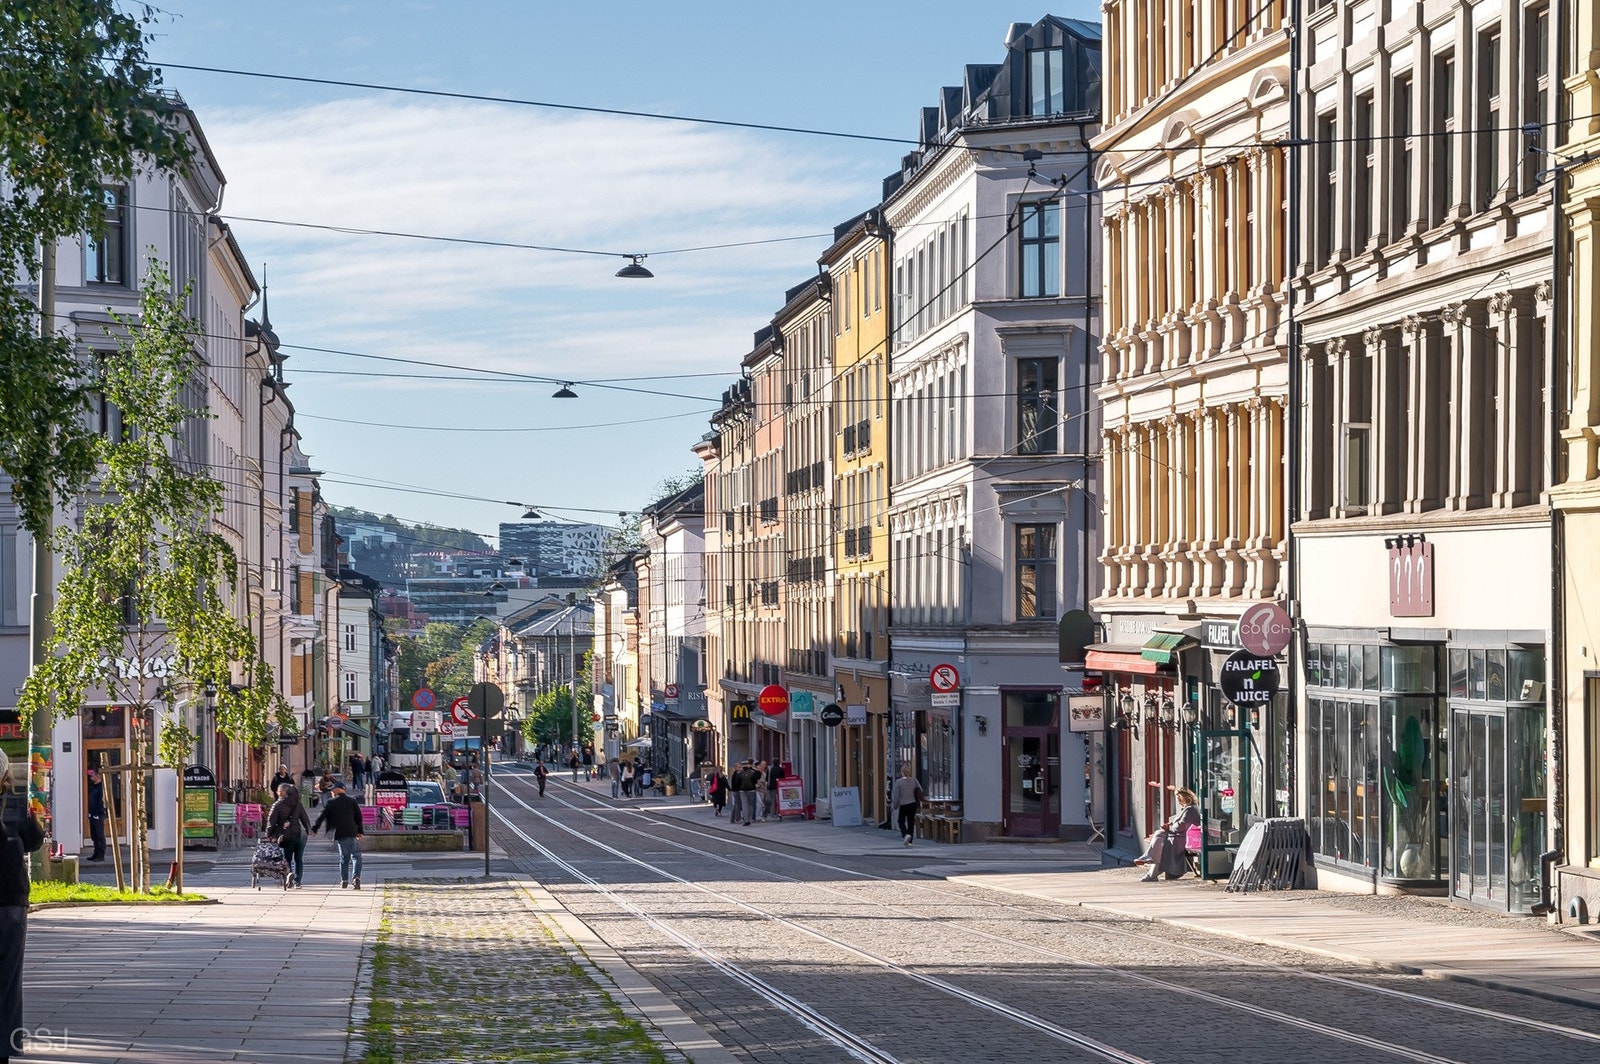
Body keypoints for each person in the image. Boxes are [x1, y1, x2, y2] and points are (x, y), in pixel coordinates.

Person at [2, 810, 45, 1061]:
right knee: (8, 984)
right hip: (10, 902)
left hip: (11, 902)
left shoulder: (14, 807)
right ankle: (4, 1048)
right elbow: (33, 840)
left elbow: (34, 840)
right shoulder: (12, 805)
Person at [1135, 788, 1201, 882]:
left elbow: (1181, 826)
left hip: (1183, 838)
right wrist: (1169, 825)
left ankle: (1149, 862)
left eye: (1179, 798)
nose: (1178, 801)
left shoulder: (1190, 810)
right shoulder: (1186, 809)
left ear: (1185, 798)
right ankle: (1149, 865)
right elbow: (1177, 823)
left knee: (1160, 844)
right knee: (1159, 840)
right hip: (1178, 836)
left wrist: (1169, 827)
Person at [312, 779, 365, 889]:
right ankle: (356, 877)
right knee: (356, 856)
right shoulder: (352, 801)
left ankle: (344, 880)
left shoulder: (331, 802)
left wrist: (315, 828)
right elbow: (358, 817)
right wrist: (360, 831)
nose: (331, 792)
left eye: (333, 790)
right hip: (352, 832)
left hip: (340, 833)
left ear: (338, 790)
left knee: (344, 858)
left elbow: (322, 816)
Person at [267, 783, 312, 887]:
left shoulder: (278, 804)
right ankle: (298, 881)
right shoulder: (298, 804)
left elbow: (271, 821)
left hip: (286, 835)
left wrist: (269, 834)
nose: (277, 793)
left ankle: (289, 875)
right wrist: (308, 829)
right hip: (299, 834)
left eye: (278, 791)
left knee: (287, 858)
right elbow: (304, 818)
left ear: (283, 792)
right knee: (298, 858)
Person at [891, 763, 924, 846]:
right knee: (911, 822)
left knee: (901, 821)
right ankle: (910, 841)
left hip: (904, 804)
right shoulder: (914, 780)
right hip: (912, 804)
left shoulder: (899, 782)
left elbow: (896, 795)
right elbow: (920, 789)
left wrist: (895, 805)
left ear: (902, 772)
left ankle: (905, 835)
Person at [85, 767, 107, 862]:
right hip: (92, 814)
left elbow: (101, 803)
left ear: (98, 776)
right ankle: (96, 853)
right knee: (94, 835)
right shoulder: (94, 787)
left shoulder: (101, 788)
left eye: (92, 775)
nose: (90, 777)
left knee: (99, 835)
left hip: (98, 815)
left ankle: (100, 854)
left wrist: (99, 813)